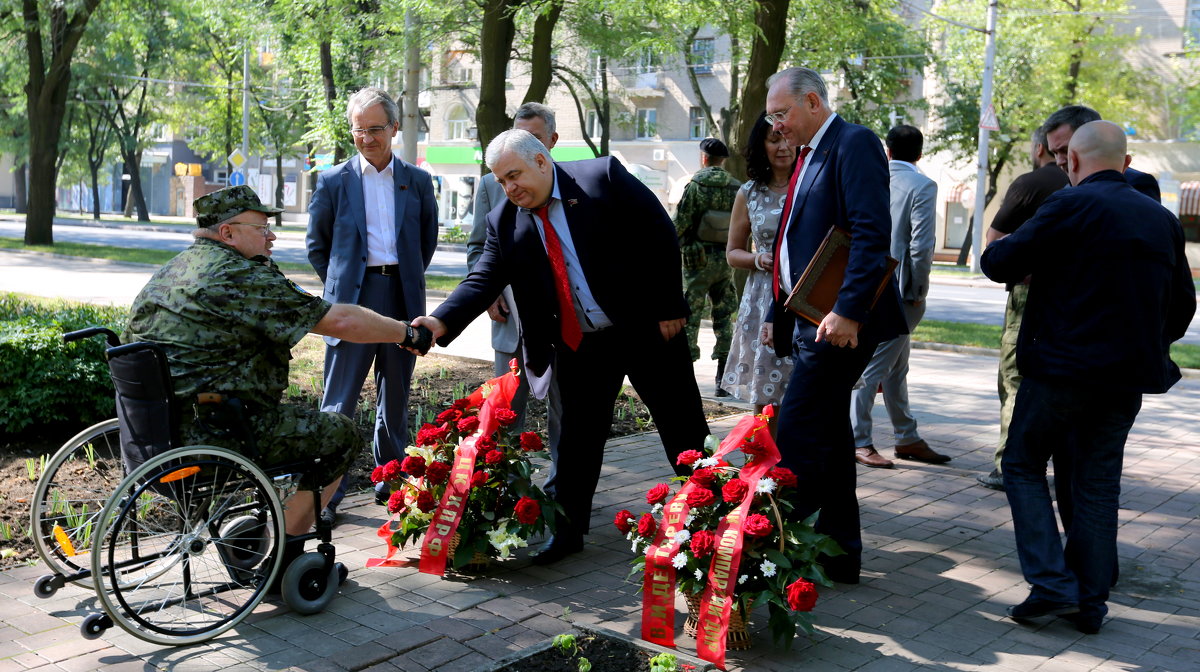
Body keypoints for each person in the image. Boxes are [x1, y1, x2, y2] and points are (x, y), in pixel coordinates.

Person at [412, 129, 710, 566]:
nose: (510, 187)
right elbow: (482, 280)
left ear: (541, 161)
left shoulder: (601, 178)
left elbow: (659, 233)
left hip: (646, 330)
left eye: (515, 175)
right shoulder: (504, 222)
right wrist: (438, 322)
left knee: (682, 426)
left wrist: (670, 305)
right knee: (576, 443)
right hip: (579, 343)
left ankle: (716, 516)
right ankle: (568, 533)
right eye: (501, 180)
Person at [124, 185, 427, 566]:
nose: (271, 236)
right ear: (227, 233)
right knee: (339, 436)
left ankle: (270, 526)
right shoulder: (239, 276)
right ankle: (285, 559)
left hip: (152, 434)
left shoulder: (174, 269)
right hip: (217, 433)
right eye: (261, 227)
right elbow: (342, 320)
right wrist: (408, 333)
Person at [981, 120, 1195, 634]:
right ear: (1125, 164)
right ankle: (1090, 604)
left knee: (1022, 464)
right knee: (1097, 485)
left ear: (1071, 163)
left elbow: (997, 260)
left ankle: (1053, 585)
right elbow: (1183, 306)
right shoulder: (1161, 219)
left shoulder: (1069, 204)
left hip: (1061, 369)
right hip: (1126, 378)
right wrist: (1145, 343)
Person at [763, 67, 906, 584]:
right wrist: (775, 314)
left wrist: (847, 310)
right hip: (808, 318)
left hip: (839, 322)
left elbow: (871, 233)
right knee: (826, 433)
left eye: (782, 114)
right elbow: (795, 239)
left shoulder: (854, 143)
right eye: (771, 118)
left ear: (814, 102)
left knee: (798, 432)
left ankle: (778, 550)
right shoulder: (810, 152)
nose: (776, 127)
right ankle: (840, 554)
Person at [306, 87, 438, 526]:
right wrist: (341, 291)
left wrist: (403, 280)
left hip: (402, 300)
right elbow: (317, 247)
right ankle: (325, 496)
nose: (366, 138)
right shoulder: (332, 180)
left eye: (375, 129)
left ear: (394, 129)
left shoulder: (417, 181)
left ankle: (393, 483)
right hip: (351, 304)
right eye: (359, 130)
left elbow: (426, 241)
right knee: (337, 401)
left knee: (395, 397)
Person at [467, 102, 563, 494]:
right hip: (511, 322)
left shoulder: (572, 186)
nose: (519, 147)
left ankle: (563, 486)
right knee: (506, 410)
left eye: (533, 139)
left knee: (564, 411)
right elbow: (478, 250)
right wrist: (488, 294)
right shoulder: (493, 185)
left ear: (551, 144)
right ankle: (505, 489)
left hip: (561, 327)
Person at [976, 127, 1070, 491]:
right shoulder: (1112, 187)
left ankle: (1008, 465)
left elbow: (994, 241)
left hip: (1028, 298)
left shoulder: (1031, 183)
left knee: (1015, 378)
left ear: (1039, 147)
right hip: (1077, 303)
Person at [849, 125, 946, 469]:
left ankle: (907, 436)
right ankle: (859, 439)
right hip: (900, 287)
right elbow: (921, 244)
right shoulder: (922, 185)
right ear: (919, 154)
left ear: (887, 151)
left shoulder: (870, 177)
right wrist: (918, 290)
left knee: (896, 367)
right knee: (875, 365)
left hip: (863, 279)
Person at [721, 113, 796, 430]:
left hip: (802, 292)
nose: (782, 147)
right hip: (762, 295)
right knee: (765, 395)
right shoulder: (748, 192)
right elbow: (732, 253)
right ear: (761, 145)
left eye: (786, 138)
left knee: (801, 388)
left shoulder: (811, 183)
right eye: (773, 139)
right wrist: (757, 259)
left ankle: (796, 468)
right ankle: (764, 472)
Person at [674, 137, 742, 396]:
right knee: (724, 317)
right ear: (723, 160)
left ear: (704, 158)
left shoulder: (696, 185)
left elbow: (679, 224)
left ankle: (685, 379)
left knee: (689, 318)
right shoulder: (737, 188)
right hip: (726, 261)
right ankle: (722, 380)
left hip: (696, 263)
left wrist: (681, 245)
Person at [1042, 105, 1161, 203]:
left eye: (1065, 150)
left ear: (1091, 136)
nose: (1059, 161)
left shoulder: (1138, 183)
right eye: (1054, 153)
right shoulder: (1064, 191)